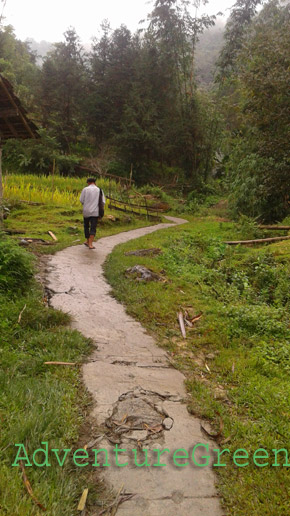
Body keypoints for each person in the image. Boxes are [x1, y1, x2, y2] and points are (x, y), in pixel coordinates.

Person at [80, 177, 106, 249]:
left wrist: (86, 204)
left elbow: (81, 200)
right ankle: (90, 244)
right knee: (93, 227)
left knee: (86, 226)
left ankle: (87, 241)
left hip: (86, 211)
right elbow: (103, 202)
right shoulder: (99, 190)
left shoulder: (85, 189)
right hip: (95, 212)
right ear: (94, 182)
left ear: (88, 182)